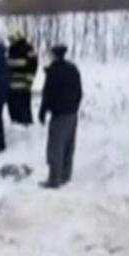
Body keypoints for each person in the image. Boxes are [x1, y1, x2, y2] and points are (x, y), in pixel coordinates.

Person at [39, 45, 83, 189]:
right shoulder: (73, 69)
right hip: (72, 114)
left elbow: (47, 94)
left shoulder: (53, 72)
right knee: (69, 146)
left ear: (54, 55)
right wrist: (75, 107)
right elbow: (80, 92)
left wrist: (43, 111)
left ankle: (54, 179)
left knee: (55, 147)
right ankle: (66, 175)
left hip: (59, 115)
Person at [7, 28, 39, 126]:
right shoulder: (11, 49)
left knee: (24, 109)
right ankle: (15, 126)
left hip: (23, 86)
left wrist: (29, 82)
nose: (11, 40)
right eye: (10, 39)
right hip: (11, 86)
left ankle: (26, 129)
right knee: (13, 109)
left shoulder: (28, 48)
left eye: (12, 38)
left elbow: (33, 65)